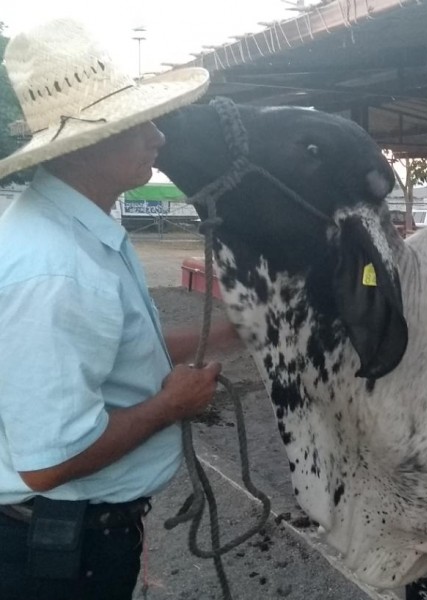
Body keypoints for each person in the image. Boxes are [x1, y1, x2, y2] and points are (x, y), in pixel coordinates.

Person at [0, 18, 238, 600]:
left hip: (77, 540)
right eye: (137, 125)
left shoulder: (79, 232)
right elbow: (48, 465)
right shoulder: (55, 270)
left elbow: (131, 351)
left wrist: (242, 330)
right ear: (85, 146)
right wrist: (169, 405)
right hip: (57, 560)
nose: (157, 137)